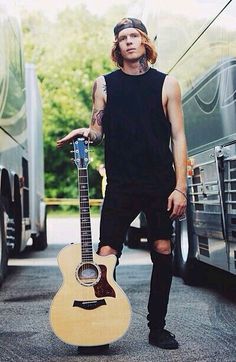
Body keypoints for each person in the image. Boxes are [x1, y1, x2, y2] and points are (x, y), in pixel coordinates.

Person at [57, 17, 187, 350]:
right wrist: (88, 133)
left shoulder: (167, 84)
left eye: (134, 36)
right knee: (105, 253)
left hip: (159, 182)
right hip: (121, 183)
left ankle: (157, 327)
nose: (128, 41)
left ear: (145, 42)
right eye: (122, 38)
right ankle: (98, 325)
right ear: (117, 46)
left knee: (162, 249)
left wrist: (180, 186)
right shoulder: (104, 84)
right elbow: (98, 130)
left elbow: (178, 136)